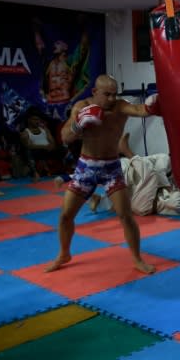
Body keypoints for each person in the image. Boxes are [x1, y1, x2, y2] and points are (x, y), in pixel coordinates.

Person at [45, 74, 160, 274]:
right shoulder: (81, 106)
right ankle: (64, 253)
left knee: (125, 216)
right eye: (107, 94)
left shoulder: (119, 107)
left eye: (114, 94)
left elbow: (138, 110)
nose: (111, 99)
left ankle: (137, 259)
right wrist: (78, 124)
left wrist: (151, 104)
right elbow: (65, 137)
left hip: (111, 167)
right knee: (65, 215)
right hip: (86, 167)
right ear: (94, 92)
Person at [89, 134, 180, 216]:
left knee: (150, 174)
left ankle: (125, 151)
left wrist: (170, 189)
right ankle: (101, 200)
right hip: (144, 195)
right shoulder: (168, 162)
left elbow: (175, 203)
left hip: (147, 205)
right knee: (129, 171)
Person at [20, 110, 57, 181]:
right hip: (36, 152)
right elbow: (28, 146)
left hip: (47, 151)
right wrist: (43, 146)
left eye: (38, 120)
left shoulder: (45, 130)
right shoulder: (25, 133)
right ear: (29, 120)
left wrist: (50, 147)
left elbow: (53, 142)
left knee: (61, 149)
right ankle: (35, 173)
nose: (37, 121)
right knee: (28, 152)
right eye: (35, 119)